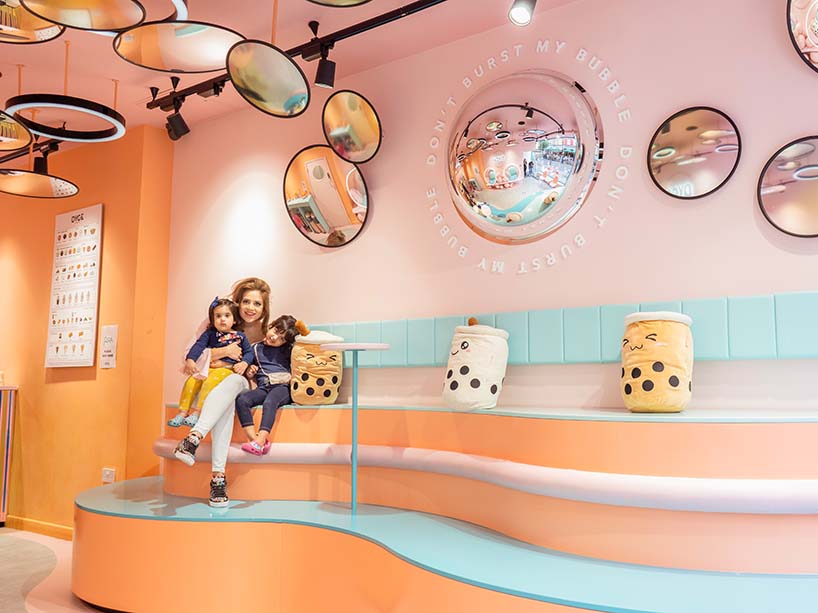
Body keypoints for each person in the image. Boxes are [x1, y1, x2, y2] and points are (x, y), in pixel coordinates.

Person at [173, 277, 271, 508]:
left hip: (241, 383)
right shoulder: (217, 320)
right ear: (238, 303)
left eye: (257, 304)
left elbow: (258, 368)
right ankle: (218, 479)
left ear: (264, 309)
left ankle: (194, 437)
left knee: (234, 381)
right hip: (212, 385)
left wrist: (250, 367)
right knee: (224, 405)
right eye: (246, 301)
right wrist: (224, 351)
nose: (250, 308)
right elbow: (189, 357)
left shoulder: (264, 331)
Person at [167, 298, 254, 428]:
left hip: (226, 370)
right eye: (218, 316)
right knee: (191, 381)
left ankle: (197, 413)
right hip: (208, 368)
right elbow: (198, 346)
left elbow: (249, 352)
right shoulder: (210, 334)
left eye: (227, 315)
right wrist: (190, 360)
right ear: (213, 320)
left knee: (209, 383)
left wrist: (244, 363)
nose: (222, 319)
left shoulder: (240, 336)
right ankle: (182, 413)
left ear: (234, 319)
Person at [235, 315, 298, 455]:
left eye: (281, 339)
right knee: (242, 400)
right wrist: (250, 372)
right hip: (264, 387)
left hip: (282, 387)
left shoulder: (287, 351)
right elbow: (250, 372)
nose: (275, 338)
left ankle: (261, 440)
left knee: (270, 402)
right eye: (275, 331)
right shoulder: (255, 348)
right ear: (270, 326)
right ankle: (256, 441)